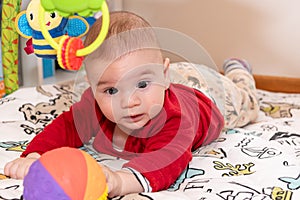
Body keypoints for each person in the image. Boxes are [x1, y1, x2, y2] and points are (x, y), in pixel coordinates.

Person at [4, 11, 259, 197]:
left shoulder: (176, 120)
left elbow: (167, 159)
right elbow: (68, 125)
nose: (129, 102)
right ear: (92, 87)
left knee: (245, 99)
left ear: (163, 74)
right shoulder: (94, 105)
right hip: (169, 80)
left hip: (211, 98)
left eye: (142, 85)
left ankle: (239, 71)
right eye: (111, 90)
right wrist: (35, 154)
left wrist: (121, 180)